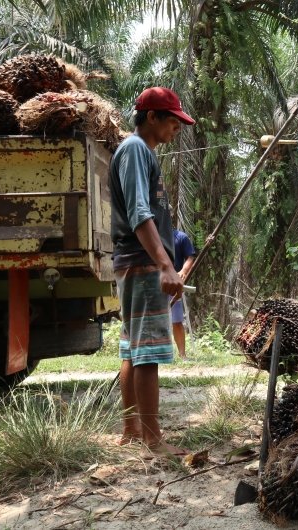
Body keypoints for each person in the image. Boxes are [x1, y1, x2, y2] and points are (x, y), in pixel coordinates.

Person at [110, 87, 195, 457]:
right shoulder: (134, 149)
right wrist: (165, 264)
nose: (178, 127)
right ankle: (153, 439)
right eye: (172, 120)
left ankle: (131, 429)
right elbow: (139, 213)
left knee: (132, 348)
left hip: (136, 261)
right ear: (151, 118)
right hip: (142, 262)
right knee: (147, 352)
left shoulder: (140, 152)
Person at [171, 228, 196, 359]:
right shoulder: (152, 235)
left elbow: (190, 256)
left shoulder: (180, 237)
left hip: (174, 285)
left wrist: (184, 270)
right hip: (154, 284)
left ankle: (182, 354)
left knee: (176, 321)